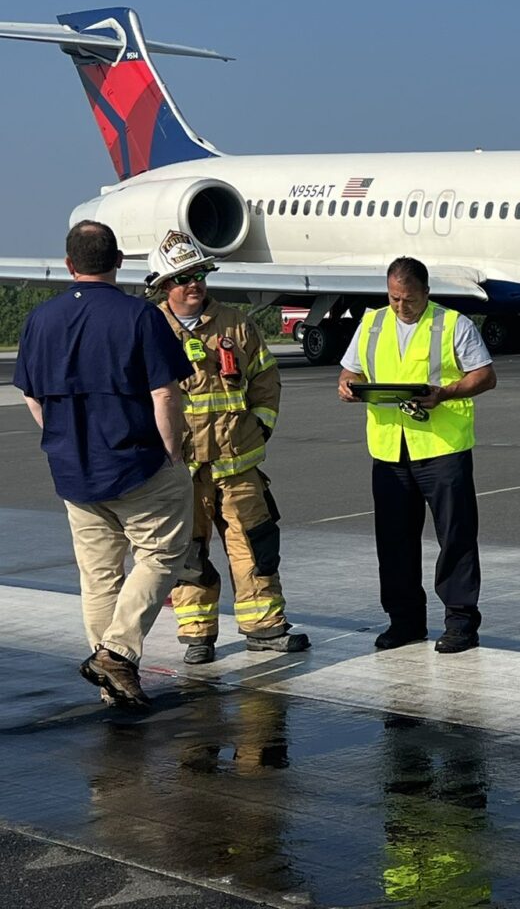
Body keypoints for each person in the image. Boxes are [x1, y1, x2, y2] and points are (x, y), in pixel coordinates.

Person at [12, 221, 194, 708]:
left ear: (70, 265)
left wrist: (61, 438)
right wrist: (172, 450)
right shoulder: (140, 316)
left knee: (99, 577)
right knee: (160, 555)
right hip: (137, 464)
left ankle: (112, 683)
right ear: (118, 261)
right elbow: (164, 392)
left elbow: (32, 395)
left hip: (74, 469)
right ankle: (117, 653)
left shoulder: (41, 320)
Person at [147, 229, 310, 664]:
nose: (194, 284)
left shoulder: (236, 324)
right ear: (164, 285)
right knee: (189, 553)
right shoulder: (148, 329)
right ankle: (198, 635)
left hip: (239, 465)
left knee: (255, 546)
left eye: (199, 274)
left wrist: (258, 428)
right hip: (181, 470)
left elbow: (265, 379)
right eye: (183, 277)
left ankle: (265, 628)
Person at [337, 257, 496, 653]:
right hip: (390, 449)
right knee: (393, 542)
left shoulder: (452, 323)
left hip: (442, 448)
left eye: (408, 299)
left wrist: (446, 393)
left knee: (455, 537)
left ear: (426, 292)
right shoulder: (372, 323)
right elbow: (349, 371)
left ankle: (460, 622)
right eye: (393, 298)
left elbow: (485, 376)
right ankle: (404, 621)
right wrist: (348, 386)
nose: (400, 307)